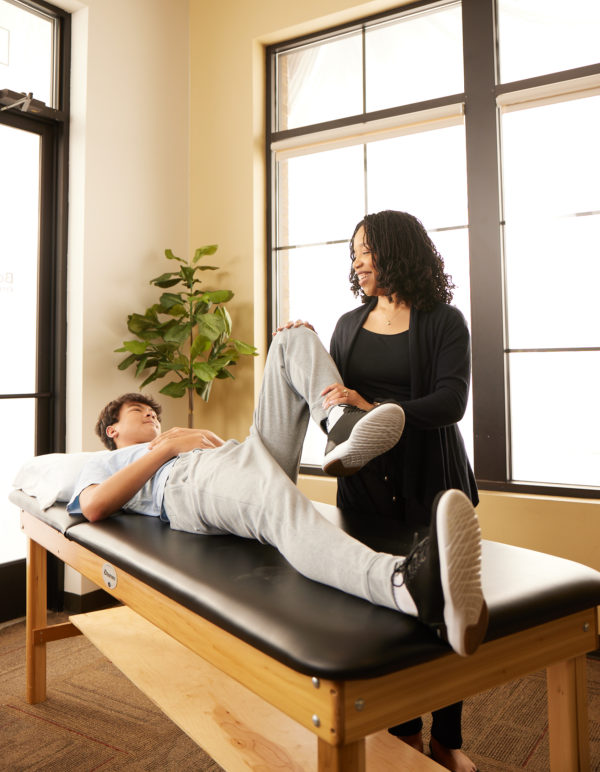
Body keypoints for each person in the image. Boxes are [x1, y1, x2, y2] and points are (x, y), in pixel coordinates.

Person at [67, 323, 488, 659]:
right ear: (112, 430)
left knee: (291, 337)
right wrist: (168, 450)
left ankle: (339, 423)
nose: (152, 419)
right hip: (184, 485)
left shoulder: (177, 438)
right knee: (281, 510)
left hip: (236, 458)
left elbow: (219, 456)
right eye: (139, 413)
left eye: (155, 416)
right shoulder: (105, 460)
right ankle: (402, 586)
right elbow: (95, 506)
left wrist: (197, 441)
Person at [322, 209, 480, 772]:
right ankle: (403, 729)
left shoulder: (443, 320)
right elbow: (332, 402)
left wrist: (377, 409)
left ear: (396, 251)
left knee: (441, 610)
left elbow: (450, 402)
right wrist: (301, 348)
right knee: (382, 608)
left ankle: (447, 737)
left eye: (366, 249)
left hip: (429, 483)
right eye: (354, 251)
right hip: (364, 485)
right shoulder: (346, 324)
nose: (357, 260)